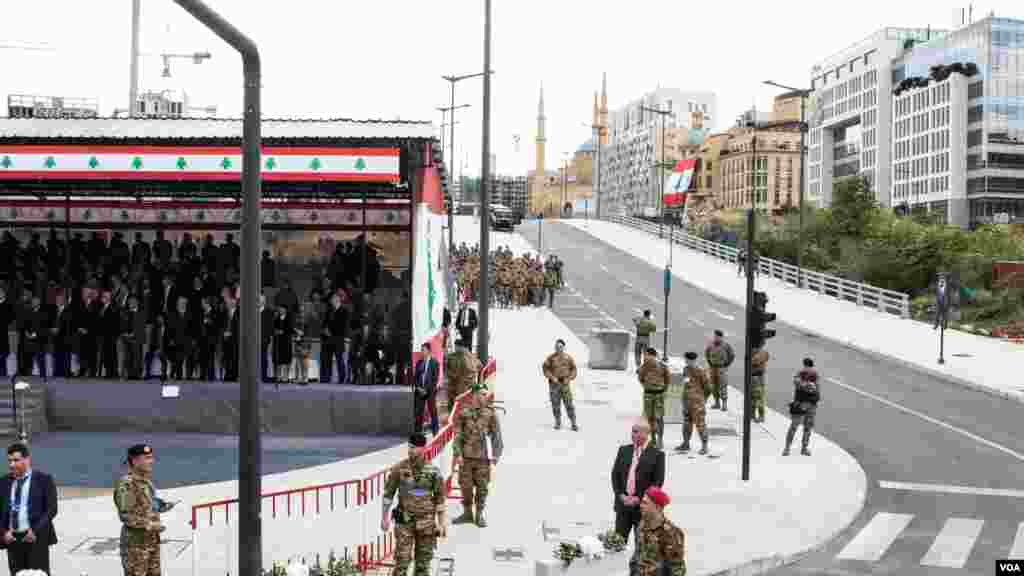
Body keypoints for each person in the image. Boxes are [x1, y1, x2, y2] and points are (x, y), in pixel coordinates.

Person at [381, 433, 447, 576]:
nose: (410, 450)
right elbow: (388, 495)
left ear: (423, 448)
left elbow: (440, 499)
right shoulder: (399, 469)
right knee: (401, 563)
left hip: (426, 524)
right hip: (404, 523)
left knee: (423, 566)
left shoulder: (433, 472)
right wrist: (384, 518)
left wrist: (441, 523)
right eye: (409, 447)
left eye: (414, 447)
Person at [611, 419, 665, 575]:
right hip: (623, 506)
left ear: (646, 434)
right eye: (632, 431)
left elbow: (657, 483)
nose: (632, 434)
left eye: (636, 431)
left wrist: (639, 498)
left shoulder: (657, 455)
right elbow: (615, 475)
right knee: (616, 544)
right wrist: (620, 495)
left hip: (642, 509)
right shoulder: (624, 450)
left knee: (641, 547)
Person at [115, 444, 175, 576]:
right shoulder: (127, 484)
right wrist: (150, 525)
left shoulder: (145, 482)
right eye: (147, 458)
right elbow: (126, 516)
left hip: (151, 542)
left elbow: (146, 504)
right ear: (135, 461)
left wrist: (161, 506)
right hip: (135, 547)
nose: (151, 461)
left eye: (151, 457)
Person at [451, 378, 503, 527]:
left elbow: (496, 435)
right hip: (466, 457)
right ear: (474, 395)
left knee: (482, 487)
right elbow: (457, 435)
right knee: (465, 486)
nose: (485, 396)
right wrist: (457, 454)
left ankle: (479, 514)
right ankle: (467, 513)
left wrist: (496, 454)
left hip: (483, 458)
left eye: (486, 394)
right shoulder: (463, 413)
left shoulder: (490, 413)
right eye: (482, 394)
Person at [0, 443, 58, 575]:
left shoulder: (44, 480)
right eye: (9, 461)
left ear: (27, 460)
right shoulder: (3, 482)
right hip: (13, 540)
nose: (12, 464)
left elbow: (52, 509)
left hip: (36, 538)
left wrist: (35, 530)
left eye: (16, 460)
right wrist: (4, 532)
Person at [636, 487, 686, 576]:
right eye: (641, 502)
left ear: (657, 507)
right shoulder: (642, 525)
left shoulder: (671, 533)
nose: (641, 505)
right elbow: (638, 556)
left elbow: (677, 568)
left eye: (645, 503)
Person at [784, 358, 821, 456]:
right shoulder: (813, 374)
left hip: (801, 403)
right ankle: (803, 448)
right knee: (806, 428)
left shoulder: (801, 374)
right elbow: (816, 390)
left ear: (804, 365)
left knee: (794, 426)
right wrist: (809, 386)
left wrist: (806, 385)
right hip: (809, 404)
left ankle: (788, 448)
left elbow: (799, 384)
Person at [677, 351, 711, 455]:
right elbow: (686, 383)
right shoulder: (686, 369)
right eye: (686, 360)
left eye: (687, 360)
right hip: (687, 401)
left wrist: (703, 399)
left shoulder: (701, 371)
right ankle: (686, 443)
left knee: (700, 424)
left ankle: (704, 446)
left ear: (693, 360)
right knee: (687, 423)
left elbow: (708, 388)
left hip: (697, 403)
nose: (686, 361)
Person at [541, 339, 578, 431]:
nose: (558, 348)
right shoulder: (551, 358)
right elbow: (545, 369)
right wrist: (552, 377)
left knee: (569, 404)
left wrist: (569, 378)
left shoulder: (568, 358)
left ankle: (573, 422)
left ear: (563, 347)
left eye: (560, 347)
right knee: (555, 404)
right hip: (554, 384)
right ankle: (558, 422)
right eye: (557, 347)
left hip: (565, 384)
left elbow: (574, 370)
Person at [637, 347, 670, 449]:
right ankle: (655, 440)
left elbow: (667, 379)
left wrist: (661, 389)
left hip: (654, 394)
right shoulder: (646, 366)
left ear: (652, 355)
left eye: (646, 354)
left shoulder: (659, 366)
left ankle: (658, 440)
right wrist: (650, 387)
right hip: (652, 394)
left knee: (656, 418)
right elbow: (641, 378)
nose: (645, 356)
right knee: (652, 418)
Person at [413, 342, 440, 436]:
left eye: (423, 350)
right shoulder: (419, 362)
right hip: (420, 391)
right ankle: (418, 431)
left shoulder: (434, 363)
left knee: (433, 411)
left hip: (430, 391)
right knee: (418, 412)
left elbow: (435, 379)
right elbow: (415, 378)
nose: (422, 352)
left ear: (428, 351)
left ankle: (435, 430)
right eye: (421, 350)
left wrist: (427, 390)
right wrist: (419, 388)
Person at [704, 330, 735, 411]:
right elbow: (706, 354)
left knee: (722, 386)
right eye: (715, 336)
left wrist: (726, 364)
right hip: (712, 368)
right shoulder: (710, 345)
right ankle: (717, 403)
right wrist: (710, 363)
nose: (716, 338)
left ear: (721, 337)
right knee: (714, 386)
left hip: (721, 368)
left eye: (717, 337)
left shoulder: (726, 346)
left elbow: (732, 355)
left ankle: (724, 404)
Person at [751, 348, 770, 423]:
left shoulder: (762, 353)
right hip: (752, 377)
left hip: (758, 377)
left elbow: (755, 361)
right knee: (752, 396)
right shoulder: (752, 352)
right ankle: (752, 414)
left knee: (759, 397)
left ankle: (761, 416)